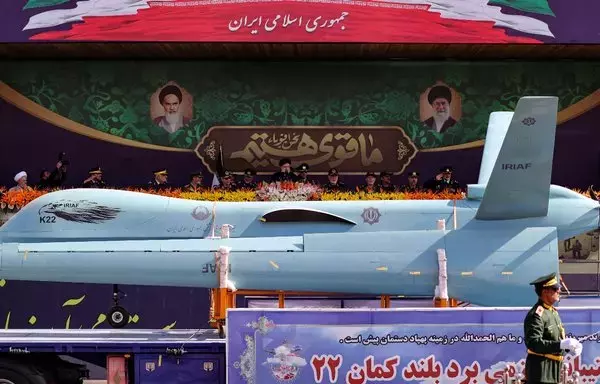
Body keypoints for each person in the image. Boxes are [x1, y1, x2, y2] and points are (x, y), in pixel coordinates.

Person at [524, 272, 582, 383]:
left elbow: (554, 340)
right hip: (541, 372)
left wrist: (569, 347)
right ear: (545, 291)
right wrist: (560, 345)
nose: (559, 291)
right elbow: (533, 343)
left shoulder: (552, 312)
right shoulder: (536, 315)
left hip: (553, 371)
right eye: (555, 288)